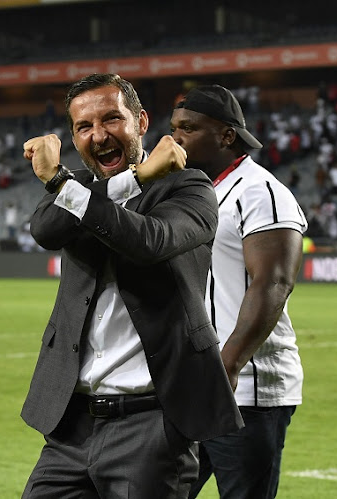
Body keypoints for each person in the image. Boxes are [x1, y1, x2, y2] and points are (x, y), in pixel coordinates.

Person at [20, 73, 242, 499]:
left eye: (111, 119)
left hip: (151, 425)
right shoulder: (78, 191)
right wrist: (133, 179)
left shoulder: (190, 187)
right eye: (84, 127)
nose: (99, 135)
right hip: (72, 427)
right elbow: (45, 227)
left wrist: (60, 181)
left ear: (141, 122)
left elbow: (148, 241)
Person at [170, 85, 308, 499]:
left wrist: (227, 365)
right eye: (174, 128)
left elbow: (275, 282)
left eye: (189, 129)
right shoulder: (190, 193)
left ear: (227, 135)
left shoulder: (260, 192)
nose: (175, 138)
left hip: (245, 390)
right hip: (190, 387)